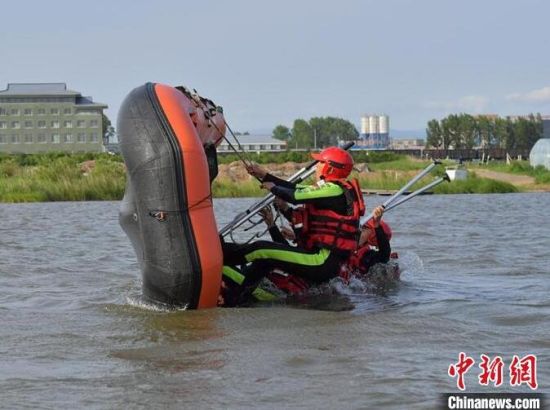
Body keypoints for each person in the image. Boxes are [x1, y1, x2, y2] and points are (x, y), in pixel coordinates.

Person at [223, 147, 365, 304]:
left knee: (261, 249)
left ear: (330, 168)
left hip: (322, 261)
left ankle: (220, 257)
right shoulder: (330, 189)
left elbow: (294, 196)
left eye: (320, 163)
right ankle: (239, 296)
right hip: (323, 261)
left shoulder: (334, 189)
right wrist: (264, 175)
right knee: (264, 260)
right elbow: (294, 188)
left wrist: (273, 188)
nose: (316, 167)